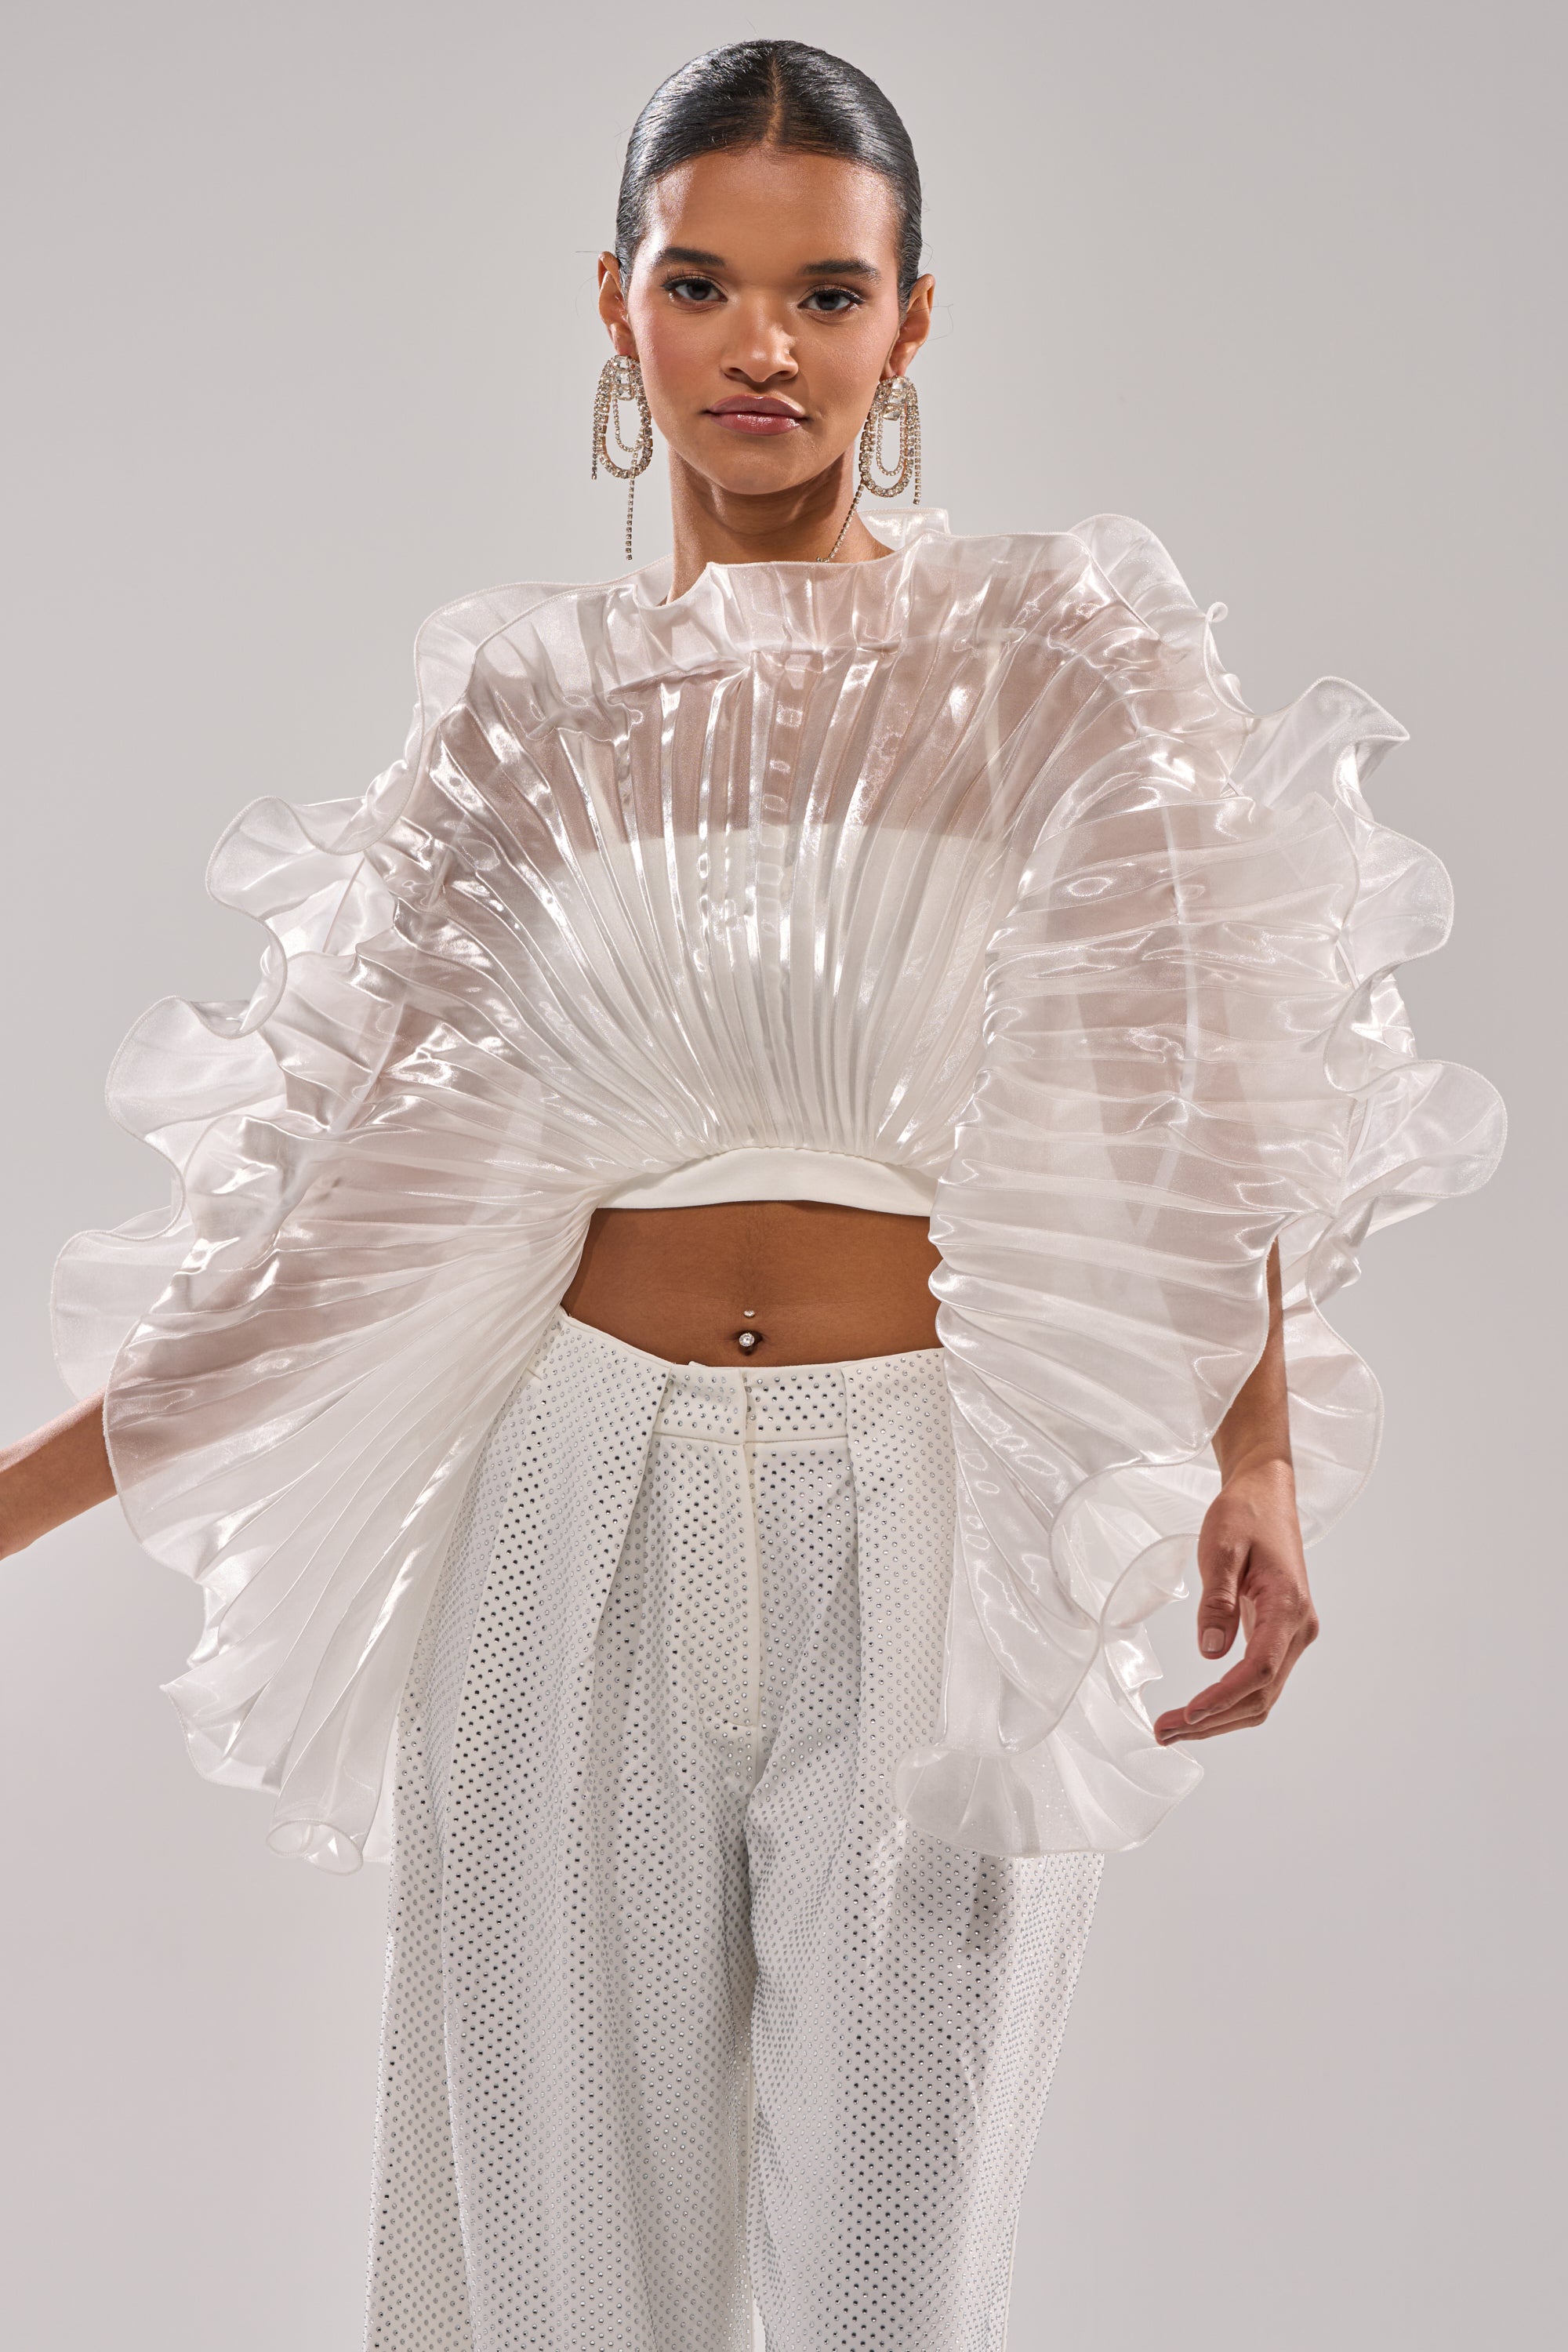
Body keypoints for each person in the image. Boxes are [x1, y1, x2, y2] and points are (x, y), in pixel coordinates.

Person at [1, 38, 1503, 2352]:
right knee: (556, 2272)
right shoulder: (526, 708)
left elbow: (1203, 1093)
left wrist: (1260, 1458)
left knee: (889, 2279)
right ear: (616, 306)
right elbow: (341, 1213)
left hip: (929, 1518)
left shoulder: (1051, 666)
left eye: (827, 292)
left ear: (914, 322)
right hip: (566, 1514)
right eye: (702, 284)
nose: (762, 346)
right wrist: (16, 1504)